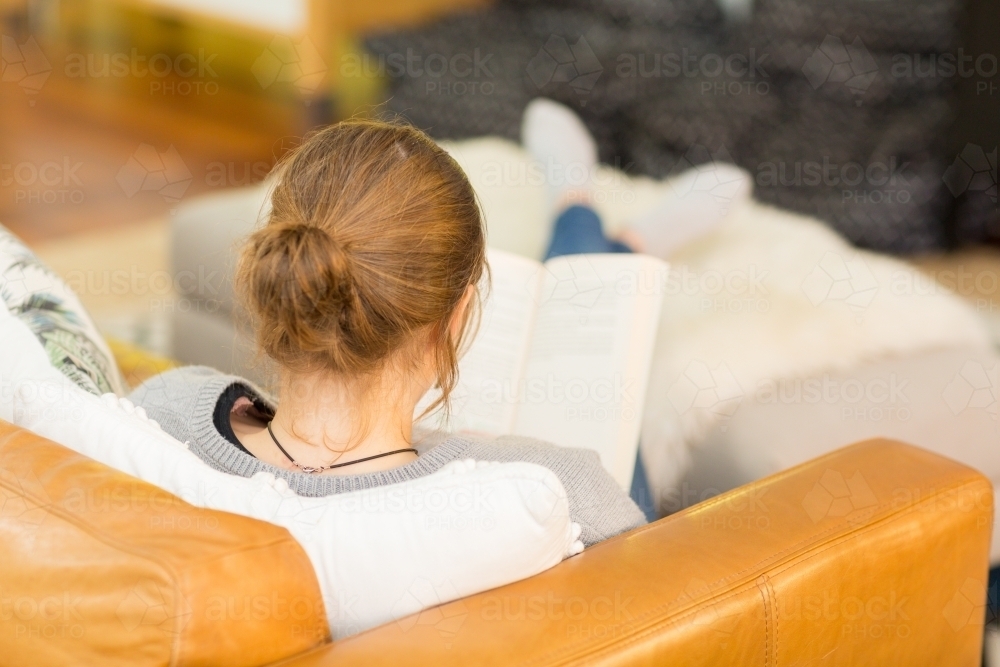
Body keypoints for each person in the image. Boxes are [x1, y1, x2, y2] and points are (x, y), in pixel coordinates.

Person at [130, 115, 646, 547]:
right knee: (617, 362)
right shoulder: (565, 494)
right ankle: (595, 222)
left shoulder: (160, 414)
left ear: (280, 276)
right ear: (456, 316)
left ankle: (598, 224)